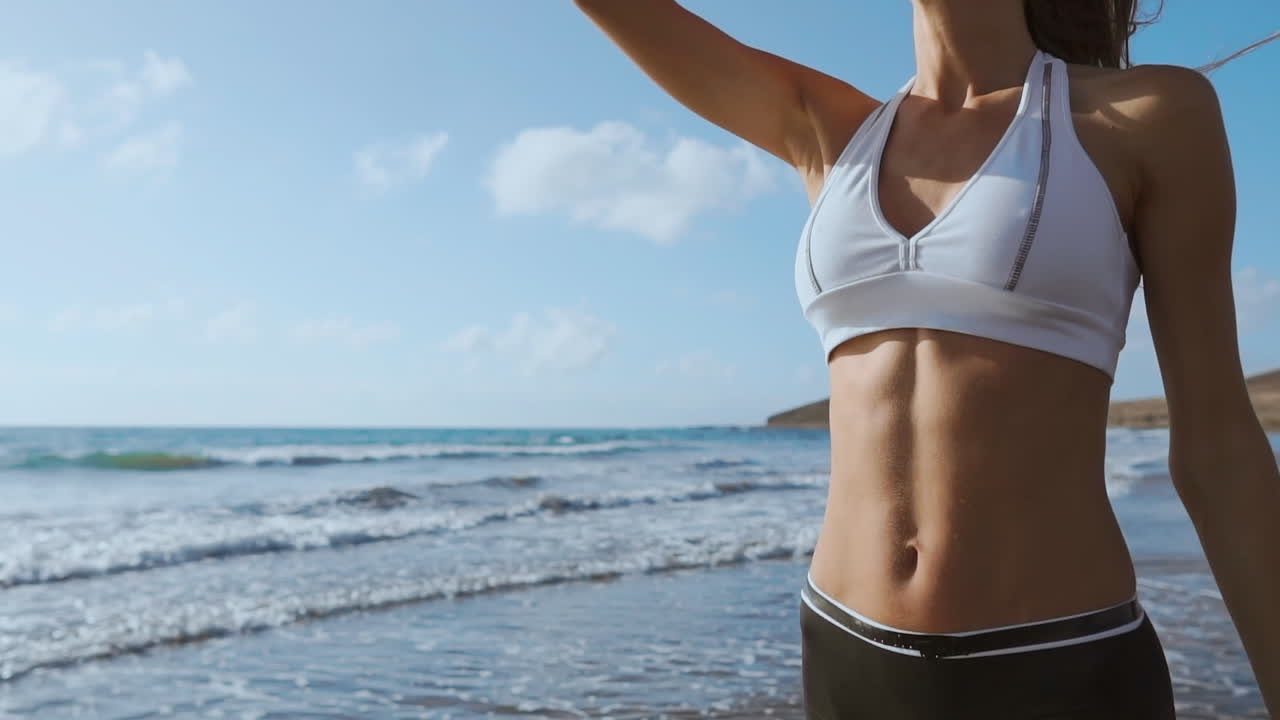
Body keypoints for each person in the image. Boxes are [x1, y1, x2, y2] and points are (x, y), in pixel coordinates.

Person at [572, 1, 1280, 718]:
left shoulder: (1148, 115)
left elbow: (1219, 449)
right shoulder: (827, 128)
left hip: (1056, 662)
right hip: (845, 657)